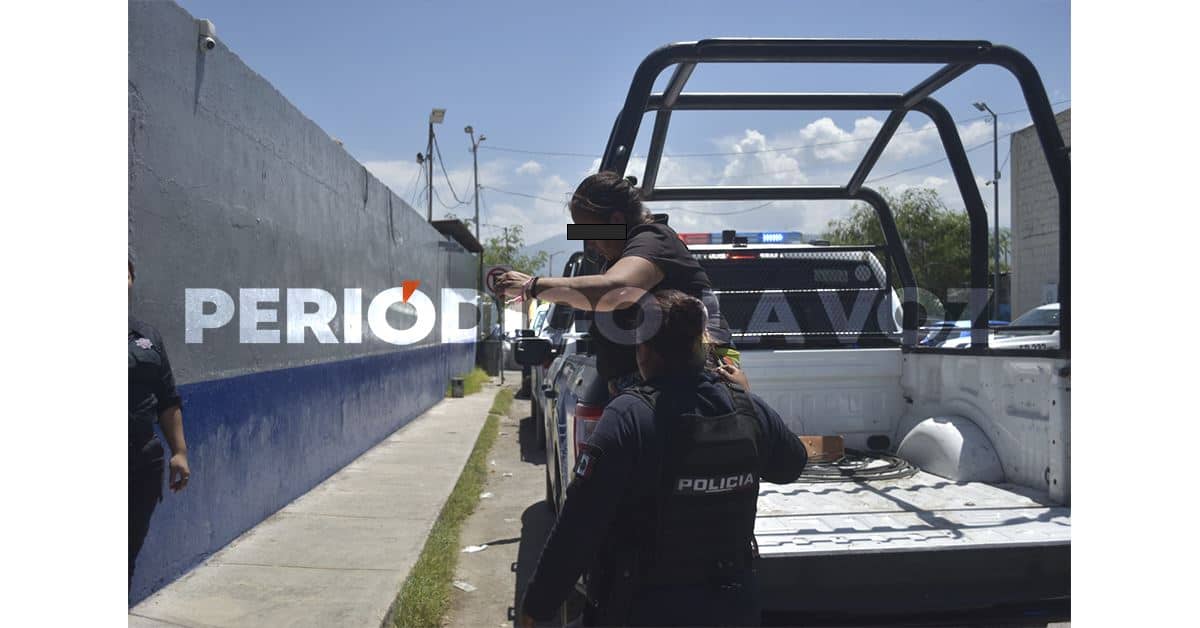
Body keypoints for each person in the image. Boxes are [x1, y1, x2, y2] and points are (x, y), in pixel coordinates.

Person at [519, 290, 807, 627]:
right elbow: (792, 464)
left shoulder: (629, 416)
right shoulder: (746, 407)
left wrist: (538, 605)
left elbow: (579, 523)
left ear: (645, 352)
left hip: (645, 607)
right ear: (702, 344)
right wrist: (745, 396)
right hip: (732, 606)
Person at [497, 172, 741, 394]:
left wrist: (533, 286)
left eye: (590, 233)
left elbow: (616, 290)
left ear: (615, 220)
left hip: (688, 393)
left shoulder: (654, 239)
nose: (590, 244)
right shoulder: (621, 255)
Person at [129, 259, 191, 584]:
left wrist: (178, 452)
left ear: (131, 279)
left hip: (140, 463)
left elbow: (167, 398)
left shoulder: (148, 337)